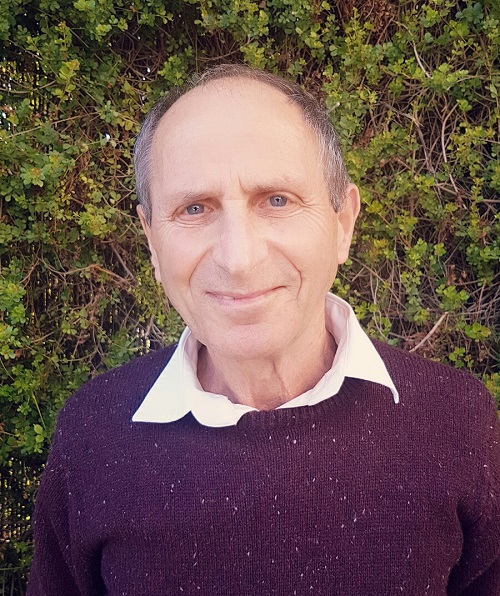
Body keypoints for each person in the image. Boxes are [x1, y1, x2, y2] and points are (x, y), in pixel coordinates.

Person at [28, 64, 500, 595]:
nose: (239, 259)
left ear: (342, 222)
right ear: (152, 239)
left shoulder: (457, 422)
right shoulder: (92, 435)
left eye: (277, 200)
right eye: (194, 208)